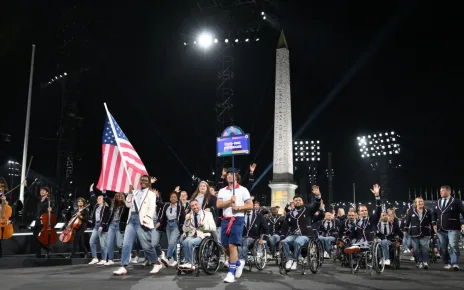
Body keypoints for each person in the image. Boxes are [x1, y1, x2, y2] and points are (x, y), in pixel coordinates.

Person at [113, 175, 162, 275]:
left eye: (145, 180)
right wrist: (130, 194)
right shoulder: (135, 192)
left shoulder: (151, 194)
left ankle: (157, 263)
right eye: (141, 180)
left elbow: (151, 208)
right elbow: (128, 205)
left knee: (146, 246)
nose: (143, 181)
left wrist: (145, 221)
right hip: (131, 220)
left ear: (149, 182)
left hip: (142, 221)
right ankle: (123, 266)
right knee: (126, 244)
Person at [217, 168, 253, 283]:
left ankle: (231, 273)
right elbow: (218, 204)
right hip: (225, 219)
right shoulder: (222, 190)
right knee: (225, 246)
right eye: (228, 174)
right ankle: (238, 262)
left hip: (237, 219)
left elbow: (250, 205)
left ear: (236, 177)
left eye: (232, 174)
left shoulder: (243, 190)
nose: (229, 176)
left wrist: (238, 207)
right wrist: (229, 201)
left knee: (232, 245)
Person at [280, 186, 322, 271]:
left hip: (305, 235)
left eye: (299, 200)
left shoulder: (308, 209)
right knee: (284, 241)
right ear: (293, 202)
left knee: (297, 241)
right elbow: (285, 228)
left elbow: (316, 206)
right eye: (296, 200)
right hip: (293, 235)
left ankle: (295, 260)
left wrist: (318, 196)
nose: (298, 202)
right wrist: (281, 238)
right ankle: (289, 259)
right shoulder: (289, 214)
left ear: (302, 201)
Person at [432, 185, 464, 270]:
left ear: (449, 191)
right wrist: (434, 223)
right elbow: (434, 214)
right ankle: (446, 262)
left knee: (453, 244)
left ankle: (454, 263)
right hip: (440, 228)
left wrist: (463, 223)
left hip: (453, 227)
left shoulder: (456, 201)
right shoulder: (437, 202)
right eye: (440, 190)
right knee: (443, 247)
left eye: (443, 190)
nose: (441, 192)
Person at [179, 199, 217, 269]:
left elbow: (213, 228)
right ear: (191, 207)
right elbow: (185, 229)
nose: (194, 207)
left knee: (191, 243)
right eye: (192, 206)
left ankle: (192, 263)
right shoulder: (188, 215)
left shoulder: (207, 214)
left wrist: (204, 225)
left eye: (196, 205)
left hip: (203, 235)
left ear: (199, 205)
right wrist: (187, 221)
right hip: (192, 234)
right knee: (184, 242)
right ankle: (187, 262)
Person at [404, 197, 432, 269]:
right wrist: (405, 230)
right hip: (415, 233)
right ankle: (419, 261)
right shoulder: (411, 211)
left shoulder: (428, 211)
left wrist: (433, 231)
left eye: (421, 201)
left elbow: (431, 222)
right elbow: (407, 222)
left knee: (425, 248)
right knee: (416, 249)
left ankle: (425, 262)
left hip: (425, 233)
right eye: (419, 202)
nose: (420, 203)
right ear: (415, 203)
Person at [159, 191, 185, 267]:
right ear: (169, 198)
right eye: (171, 197)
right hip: (168, 225)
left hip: (176, 225)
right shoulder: (166, 205)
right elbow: (162, 214)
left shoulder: (180, 207)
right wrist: (160, 222)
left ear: (177, 199)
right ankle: (175, 260)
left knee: (171, 243)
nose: (173, 198)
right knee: (172, 243)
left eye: (174, 197)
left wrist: (183, 228)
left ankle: (168, 257)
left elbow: (182, 218)